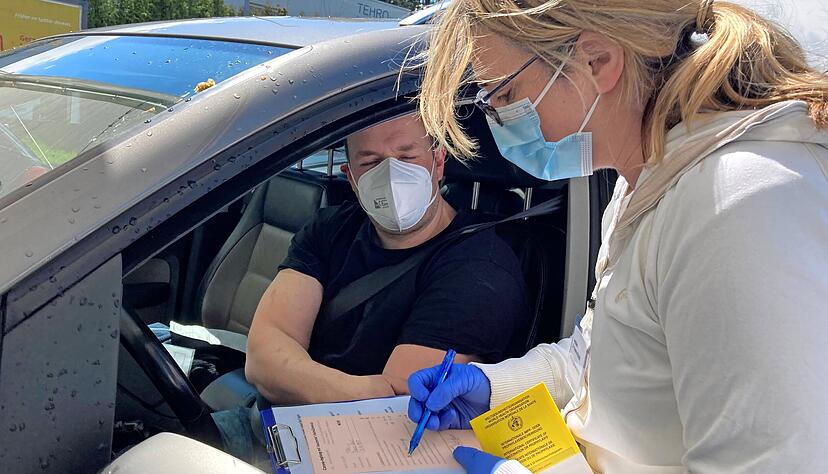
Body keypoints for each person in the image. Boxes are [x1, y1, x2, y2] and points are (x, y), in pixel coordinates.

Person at [405, 0, 828, 472]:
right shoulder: (645, 178)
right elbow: (600, 355)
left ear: (597, 61)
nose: (497, 120)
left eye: (503, 95)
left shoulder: (736, 205)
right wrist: (493, 386)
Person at [245, 113, 530, 405]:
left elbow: (396, 406)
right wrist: (360, 389)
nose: (391, 175)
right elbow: (263, 357)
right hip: (271, 419)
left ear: (439, 162)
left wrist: (294, 378)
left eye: (407, 158)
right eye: (370, 163)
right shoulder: (330, 228)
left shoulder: (479, 268)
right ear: (351, 178)